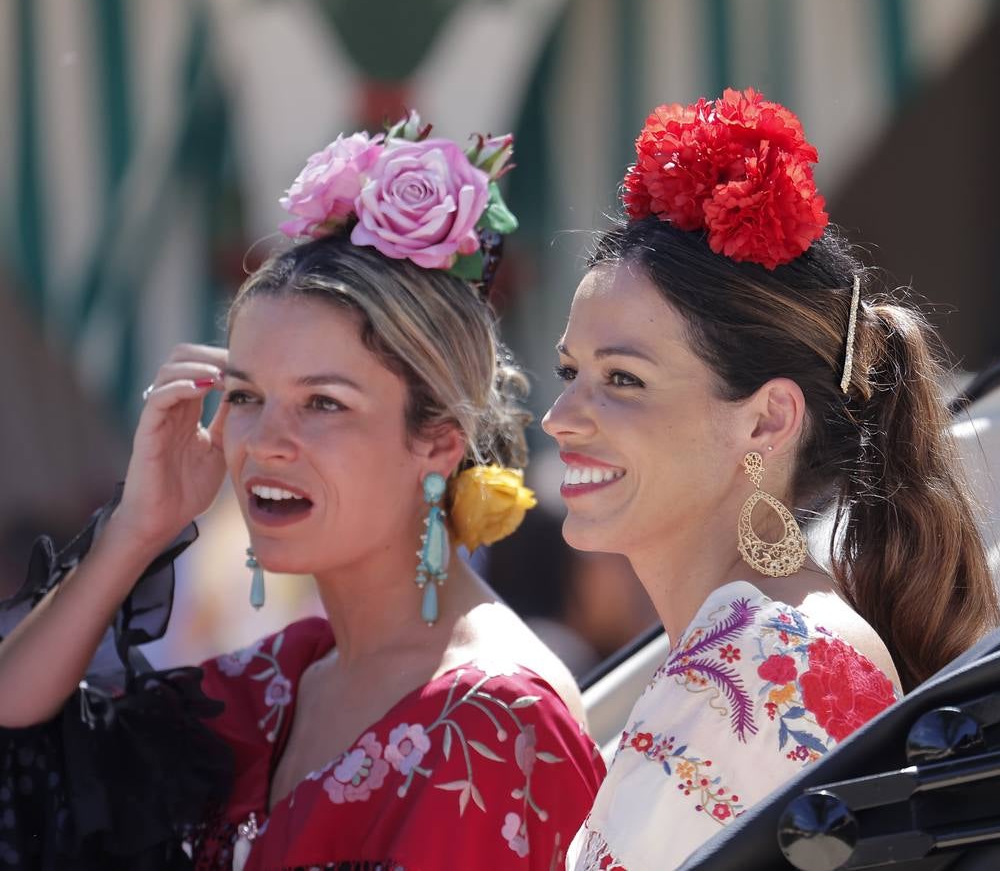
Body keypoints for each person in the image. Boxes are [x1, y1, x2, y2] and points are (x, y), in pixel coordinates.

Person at [0, 114, 604, 869]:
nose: (265, 442)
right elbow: (18, 735)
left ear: (438, 443)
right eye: (248, 396)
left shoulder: (492, 721)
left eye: (324, 403)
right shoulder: (279, 678)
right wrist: (136, 527)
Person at [542, 90, 1000, 870]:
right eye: (569, 371)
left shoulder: (778, 657)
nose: (559, 417)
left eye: (621, 379)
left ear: (764, 421)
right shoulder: (744, 645)